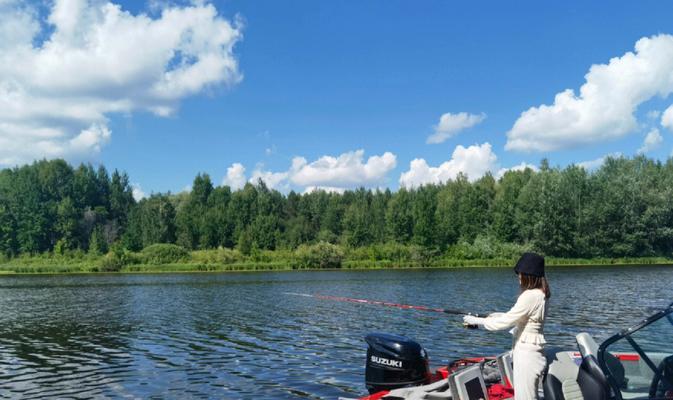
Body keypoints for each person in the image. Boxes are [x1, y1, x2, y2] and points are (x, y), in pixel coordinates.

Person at [463, 252, 551, 400]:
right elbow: (521, 318)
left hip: (526, 355)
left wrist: (477, 321)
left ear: (529, 275)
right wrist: (495, 315)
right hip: (533, 351)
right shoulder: (541, 294)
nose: (519, 276)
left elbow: (503, 324)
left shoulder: (529, 296)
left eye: (521, 273)